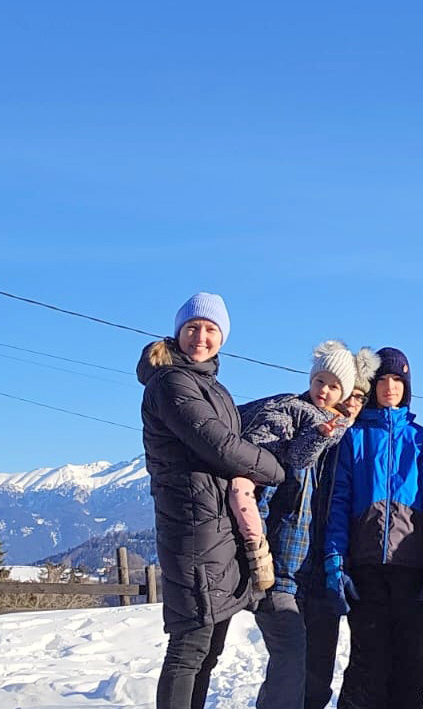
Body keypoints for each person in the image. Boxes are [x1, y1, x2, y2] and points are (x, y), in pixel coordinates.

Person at [138, 292, 286, 709]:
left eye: (210, 329)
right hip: (194, 529)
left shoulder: (209, 385)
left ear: (222, 337)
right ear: (178, 332)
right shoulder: (171, 382)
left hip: (216, 529)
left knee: (208, 651)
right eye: (192, 328)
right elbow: (220, 445)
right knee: (189, 648)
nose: (200, 337)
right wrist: (276, 470)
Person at [238, 341, 379, 709]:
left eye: (357, 396)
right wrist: (255, 551)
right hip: (282, 567)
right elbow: (259, 492)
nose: (346, 400)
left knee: (317, 676)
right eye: (322, 382)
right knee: (289, 663)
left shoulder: (346, 444)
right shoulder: (292, 421)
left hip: (323, 573)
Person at [324, 347, 423, 709]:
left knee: (410, 668)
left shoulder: (421, 438)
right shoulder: (354, 436)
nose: (390, 386)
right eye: (383, 379)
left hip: (411, 568)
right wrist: (335, 559)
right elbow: (340, 500)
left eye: (398, 379)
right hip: (366, 568)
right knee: (368, 666)